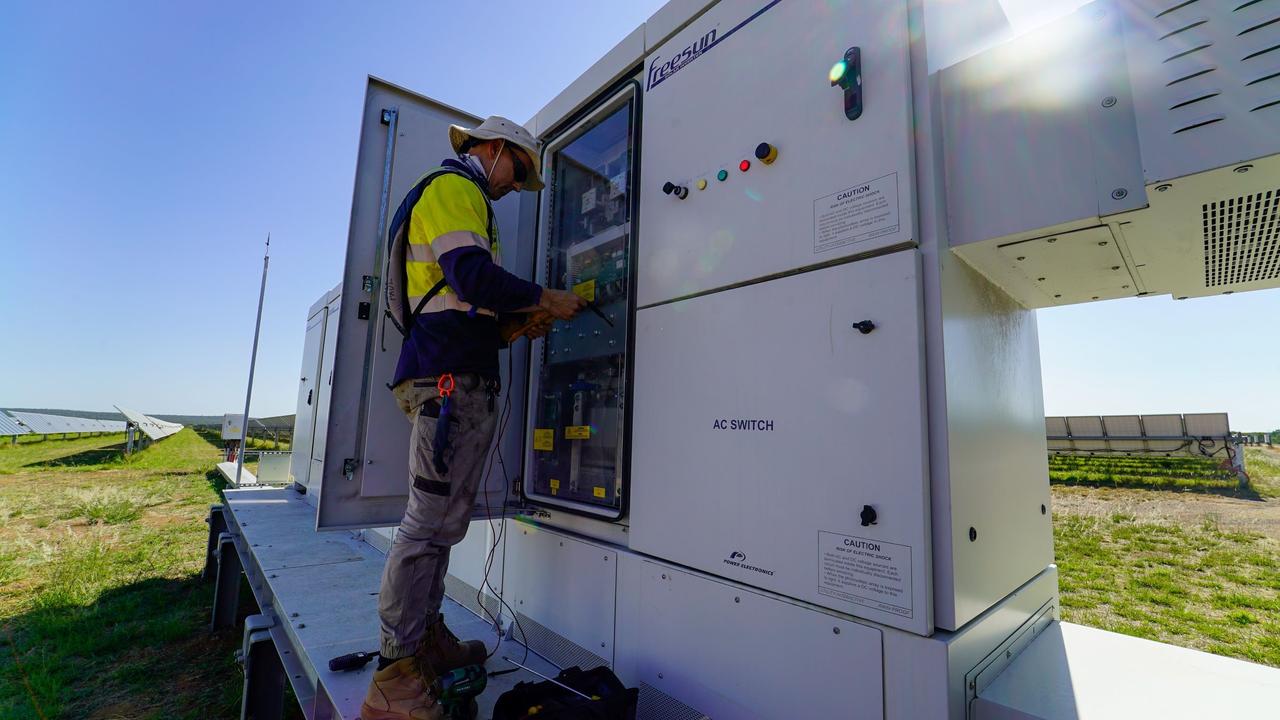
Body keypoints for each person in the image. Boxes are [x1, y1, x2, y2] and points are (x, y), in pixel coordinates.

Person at [362, 116, 586, 719]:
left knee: (443, 524)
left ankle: (423, 642)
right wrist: (544, 296)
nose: (517, 184)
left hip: (454, 371)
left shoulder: (463, 198)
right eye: (519, 169)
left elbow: (459, 303)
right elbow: (469, 276)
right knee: (428, 520)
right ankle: (393, 673)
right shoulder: (453, 188)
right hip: (446, 381)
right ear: (493, 150)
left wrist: (512, 327)